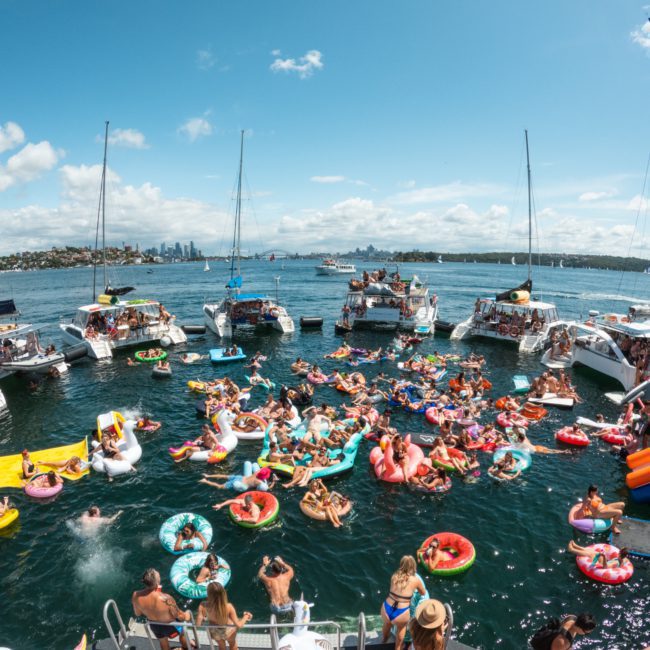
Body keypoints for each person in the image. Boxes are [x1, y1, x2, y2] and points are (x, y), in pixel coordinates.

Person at [132, 568, 192, 650]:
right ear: (157, 582)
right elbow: (179, 616)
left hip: (154, 626)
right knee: (183, 632)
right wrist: (187, 615)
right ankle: (186, 647)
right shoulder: (165, 598)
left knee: (163, 642)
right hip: (170, 626)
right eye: (159, 576)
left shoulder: (136, 595)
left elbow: (138, 613)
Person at [380, 556, 426, 650]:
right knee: (401, 629)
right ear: (413, 566)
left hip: (386, 608)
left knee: (387, 624)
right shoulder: (415, 580)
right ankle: (398, 647)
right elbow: (423, 592)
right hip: (401, 612)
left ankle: (384, 640)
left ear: (401, 565)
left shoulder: (394, 576)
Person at [196, 582, 252, 650]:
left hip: (215, 630)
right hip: (228, 630)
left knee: (221, 646)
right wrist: (246, 616)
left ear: (208, 593)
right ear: (223, 593)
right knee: (232, 644)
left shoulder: (203, 605)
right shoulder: (228, 607)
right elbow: (239, 625)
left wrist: (204, 619)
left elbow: (198, 624)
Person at [530, 612, 597, 649]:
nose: (585, 634)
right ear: (579, 628)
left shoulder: (572, 617)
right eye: (586, 633)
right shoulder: (562, 642)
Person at [201, 467, 275, 491]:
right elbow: (268, 488)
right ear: (265, 477)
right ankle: (205, 481)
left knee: (224, 476)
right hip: (240, 484)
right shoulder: (259, 482)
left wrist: (270, 465)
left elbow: (264, 468)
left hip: (240, 477)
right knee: (220, 486)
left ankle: (208, 476)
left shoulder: (257, 473)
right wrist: (274, 481)